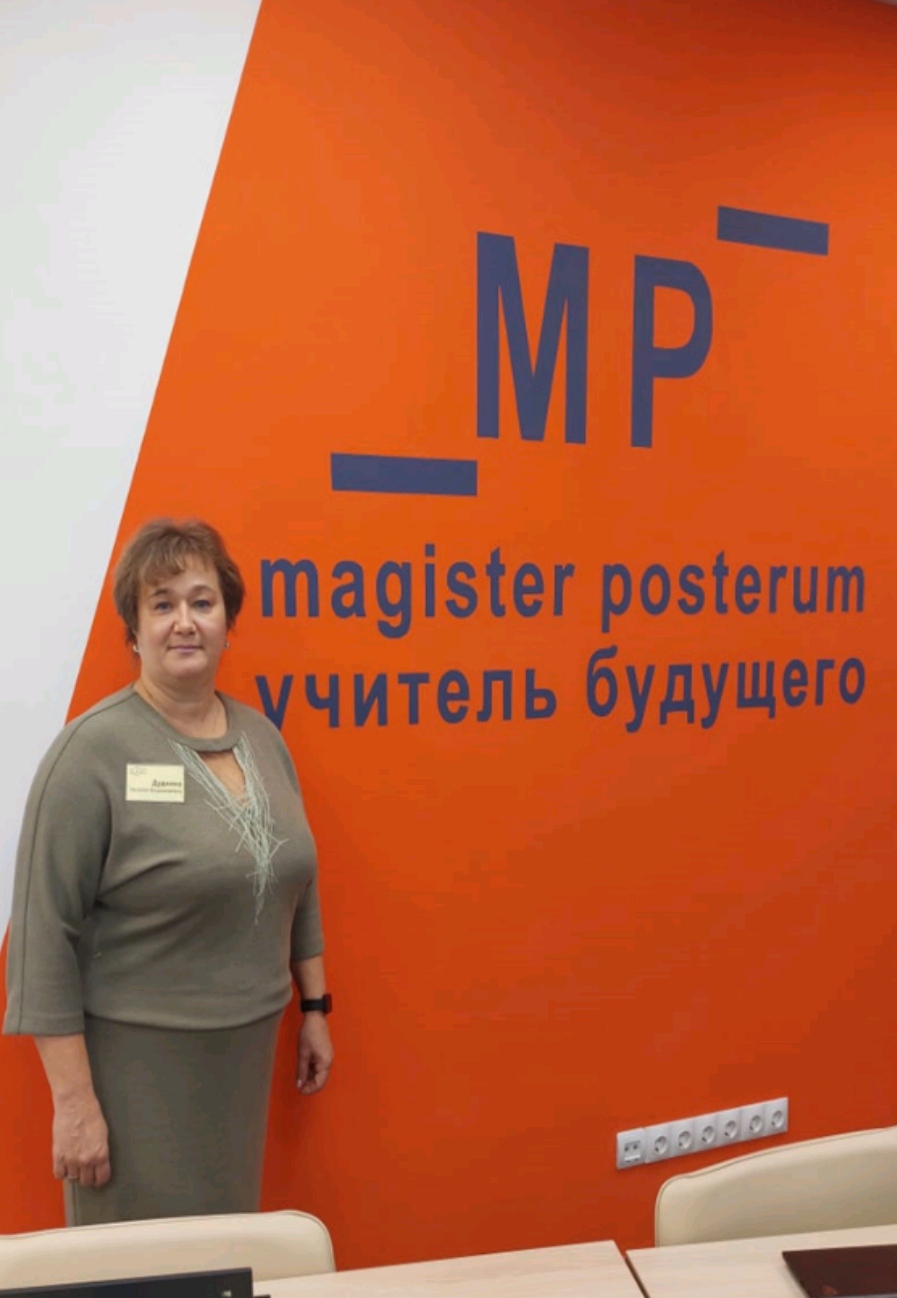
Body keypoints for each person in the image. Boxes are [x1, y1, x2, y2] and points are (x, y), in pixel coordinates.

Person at [3, 518, 333, 1225]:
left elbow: (295, 877)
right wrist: (74, 1105)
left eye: (201, 602)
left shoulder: (262, 739)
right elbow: (40, 938)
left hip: (241, 1064)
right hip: (133, 1077)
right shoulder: (90, 754)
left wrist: (315, 1009)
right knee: (140, 1266)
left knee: (224, 1254)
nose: (184, 622)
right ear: (134, 631)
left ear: (226, 623)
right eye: (162, 605)